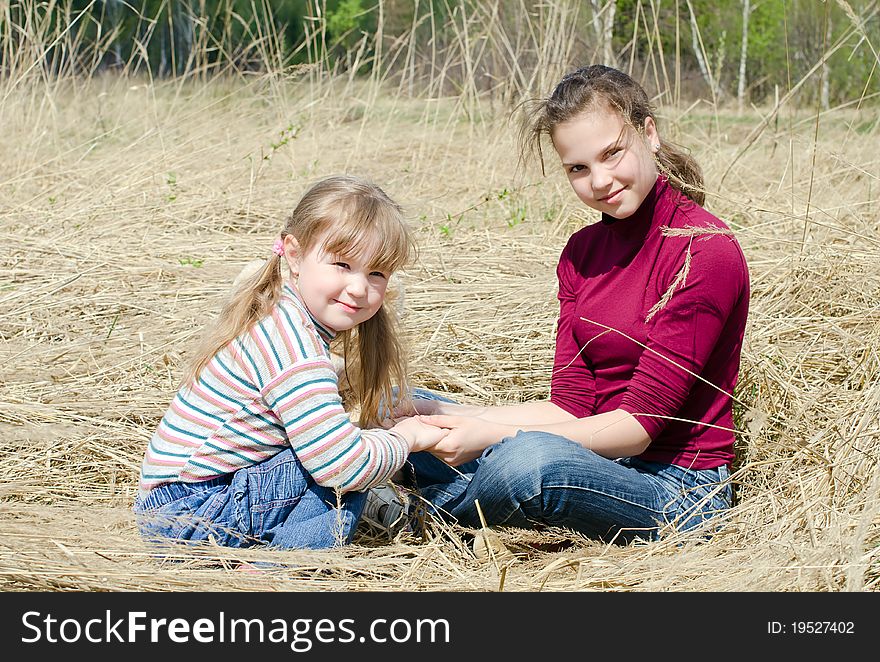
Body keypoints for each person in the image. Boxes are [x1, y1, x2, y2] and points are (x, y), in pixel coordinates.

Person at [400, 65, 750, 544]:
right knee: (409, 412)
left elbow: (640, 427)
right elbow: (570, 407)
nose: (600, 181)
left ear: (648, 133)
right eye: (579, 169)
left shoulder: (702, 249)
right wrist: (451, 416)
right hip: (587, 454)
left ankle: (416, 511)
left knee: (529, 463)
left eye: (612, 154)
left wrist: (488, 436)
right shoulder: (581, 253)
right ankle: (428, 484)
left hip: (675, 488)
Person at [133, 175, 447, 550]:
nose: (360, 288)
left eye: (376, 273)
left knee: (357, 433)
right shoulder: (294, 346)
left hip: (180, 504)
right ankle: (279, 569)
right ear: (295, 255)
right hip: (191, 515)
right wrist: (406, 438)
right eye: (342, 264)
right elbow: (341, 465)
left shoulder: (282, 315)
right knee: (344, 469)